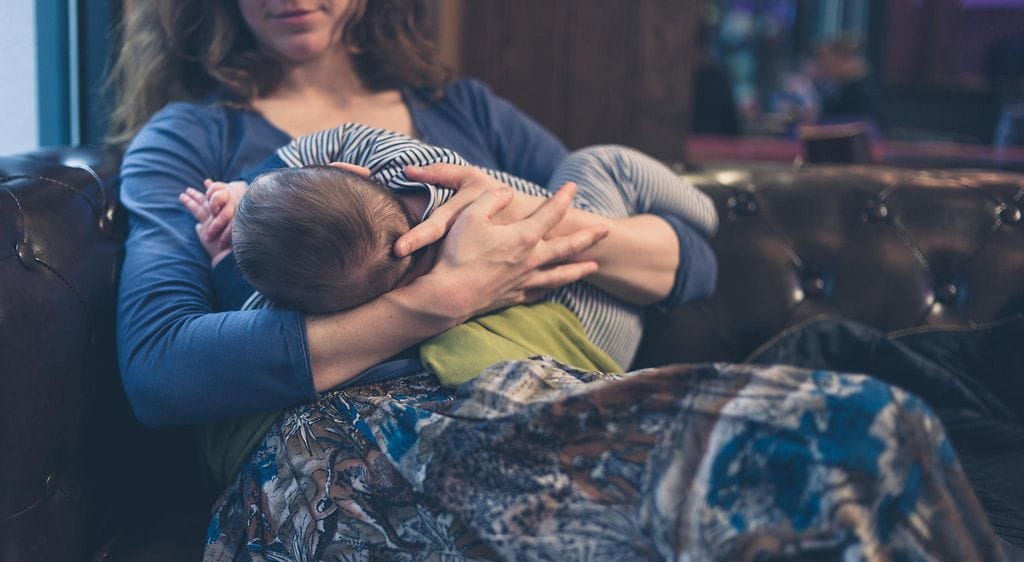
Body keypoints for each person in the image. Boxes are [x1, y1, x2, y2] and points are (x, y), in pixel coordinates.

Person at [111, 1, 1012, 562]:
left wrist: (542, 227)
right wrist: (443, 295)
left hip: (533, 401)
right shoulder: (191, 143)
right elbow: (160, 369)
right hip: (336, 456)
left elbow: (689, 265)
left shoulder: (463, 116)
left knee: (874, 433)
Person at [181, 124, 718, 369]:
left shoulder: (336, 301)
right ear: (350, 169)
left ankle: (702, 227)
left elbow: (244, 306)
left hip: (588, 337)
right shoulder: (421, 174)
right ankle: (713, 209)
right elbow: (339, 140)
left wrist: (225, 257)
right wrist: (248, 190)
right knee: (602, 164)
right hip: (582, 303)